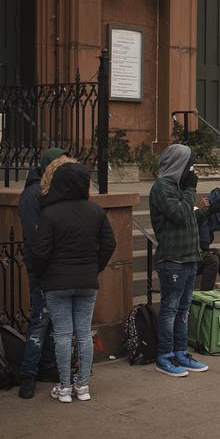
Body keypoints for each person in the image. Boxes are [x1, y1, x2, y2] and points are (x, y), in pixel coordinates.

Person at [30, 158, 116, 403]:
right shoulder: (96, 211)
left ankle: (65, 387)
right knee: (84, 332)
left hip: (56, 283)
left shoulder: (50, 213)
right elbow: (109, 244)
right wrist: (93, 268)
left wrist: (41, 274)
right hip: (87, 281)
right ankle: (84, 386)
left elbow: (40, 252)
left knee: (63, 335)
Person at [149, 144, 209, 376]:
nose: (191, 170)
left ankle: (181, 352)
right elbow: (180, 214)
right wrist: (191, 190)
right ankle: (165, 356)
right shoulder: (162, 188)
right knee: (170, 309)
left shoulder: (178, 187)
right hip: (172, 259)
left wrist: (209, 211)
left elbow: (189, 217)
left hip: (189, 257)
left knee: (183, 309)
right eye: (189, 165)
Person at [17, 147, 67, 399]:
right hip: (42, 267)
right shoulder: (33, 194)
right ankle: (29, 373)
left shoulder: (51, 191)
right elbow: (36, 236)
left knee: (51, 320)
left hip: (55, 266)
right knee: (40, 319)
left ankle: (47, 366)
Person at [196, 188, 220, 291]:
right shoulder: (189, 209)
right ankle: (205, 298)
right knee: (212, 260)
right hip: (185, 253)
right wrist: (197, 208)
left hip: (198, 249)